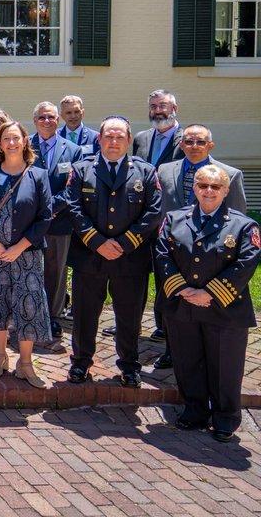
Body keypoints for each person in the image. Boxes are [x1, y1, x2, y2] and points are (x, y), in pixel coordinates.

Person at [154, 164, 259, 442]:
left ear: (226, 191)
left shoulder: (243, 225)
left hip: (225, 308)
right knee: (187, 362)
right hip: (183, 305)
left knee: (225, 366)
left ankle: (225, 418)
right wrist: (183, 289)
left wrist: (209, 292)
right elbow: (163, 255)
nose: (208, 191)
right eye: (202, 185)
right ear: (195, 189)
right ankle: (195, 410)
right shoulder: (174, 219)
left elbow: (246, 263)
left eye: (215, 187)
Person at [60, 116, 164, 388]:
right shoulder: (82, 169)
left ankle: (129, 366)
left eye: (120, 137)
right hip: (90, 257)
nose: (114, 141)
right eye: (109, 136)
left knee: (129, 316)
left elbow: (153, 212)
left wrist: (125, 243)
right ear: (100, 139)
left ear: (129, 140)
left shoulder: (145, 171)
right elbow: (73, 208)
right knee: (84, 314)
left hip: (130, 259)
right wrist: (97, 242)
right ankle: (81, 363)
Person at [153, 123, 248, 368]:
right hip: (174, 250)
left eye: (201, 142)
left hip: (213, 251)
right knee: (171, 302)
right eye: (189, 141)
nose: (194, 146)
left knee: (207, 301)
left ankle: (207, 349)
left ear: (210, 145)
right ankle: (171, 349)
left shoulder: (229, 174)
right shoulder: (164, 170)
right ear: (181, 144)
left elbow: (237, 216)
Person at [0, 121, 53, 389]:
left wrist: (19, 247)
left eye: (16, 138)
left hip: (26, 255)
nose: (12, 143)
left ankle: (25, 363)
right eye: (6, 138)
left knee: (27, 305)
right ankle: (0, 356)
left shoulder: (38, 175)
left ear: (25, 141)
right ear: (0, 143)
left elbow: (45, 216)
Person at [29, 101, 84, 343]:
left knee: (55, 271)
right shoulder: (23, 146)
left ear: (58, 120)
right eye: (42, 117)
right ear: (35, 121)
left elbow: (74, 188)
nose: (47, 121)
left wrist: (49, 208)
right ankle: (28, 314)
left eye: (51, 117)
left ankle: (51, 315)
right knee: (29, 269)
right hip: (28, 222)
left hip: (59, 221)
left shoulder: (73, 150)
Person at [133, 88, 183, 166]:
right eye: (153, 106)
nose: (157, 111)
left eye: (163, 106)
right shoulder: (140, 138)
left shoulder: (187, 140)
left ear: (175, 109)